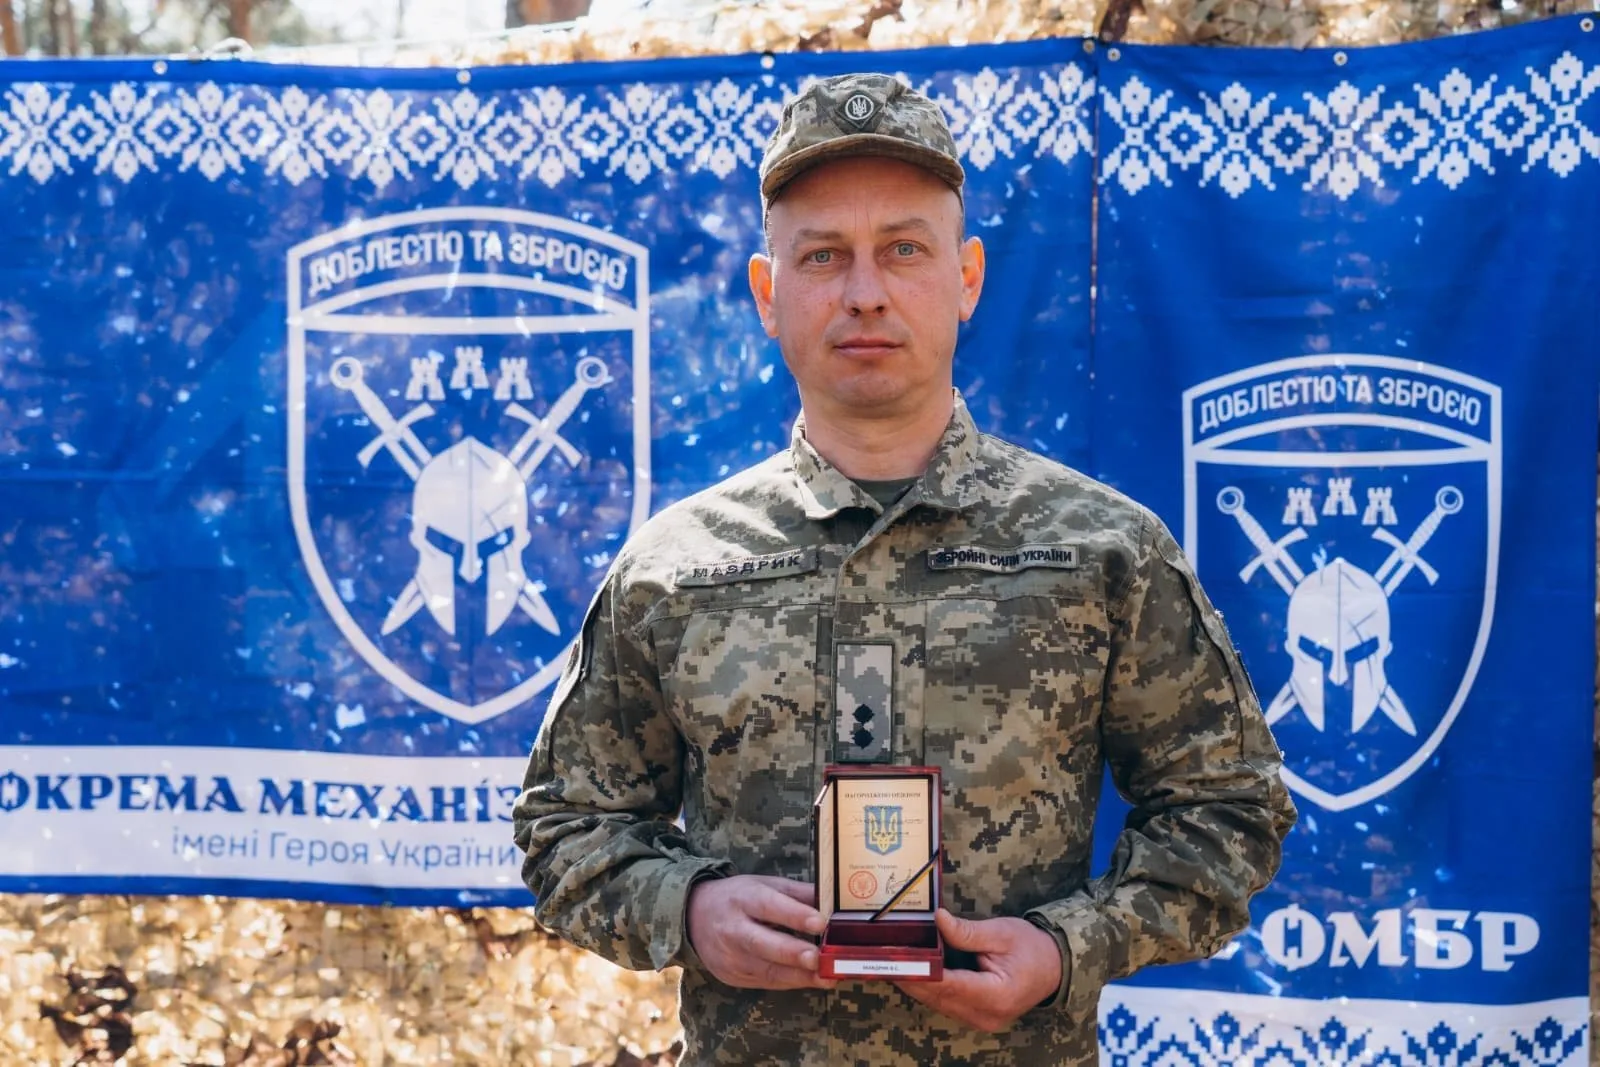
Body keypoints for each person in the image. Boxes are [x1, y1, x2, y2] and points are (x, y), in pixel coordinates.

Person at [513, 73, 1296, 1066]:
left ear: (966, 278)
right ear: (768, 294)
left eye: (903, 249)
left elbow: (1230, 807)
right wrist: (690, 907)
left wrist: (1069, 947)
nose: (865, 292)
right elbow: (566, 826)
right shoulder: (676, 568)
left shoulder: (1102, 550)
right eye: (823, 255)